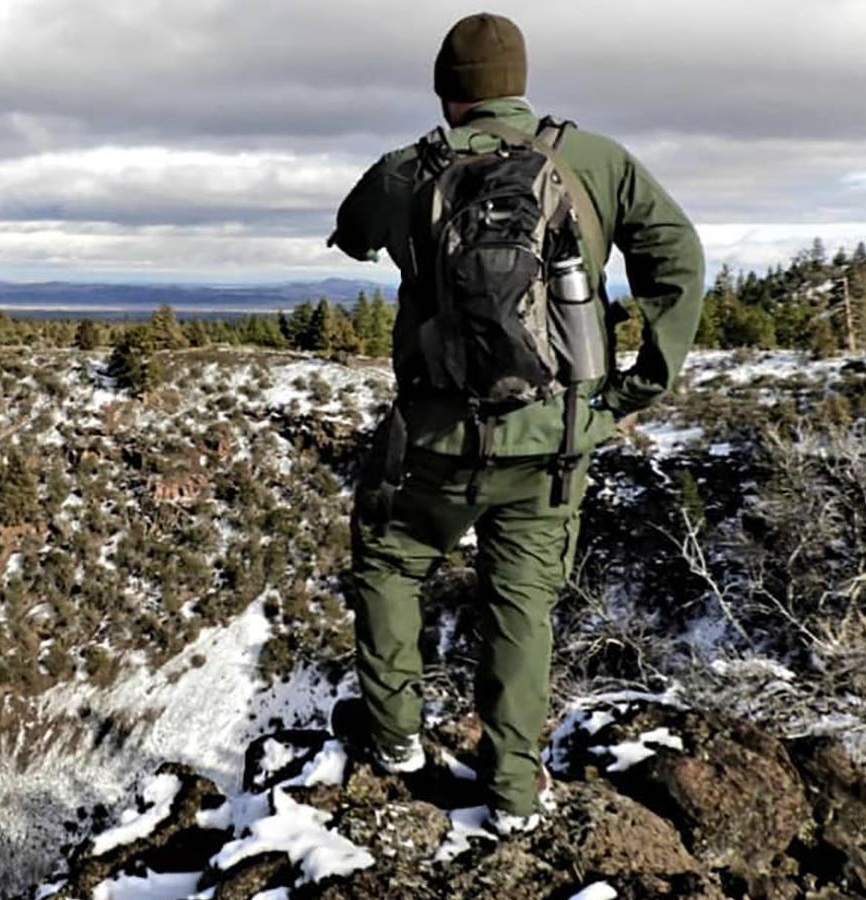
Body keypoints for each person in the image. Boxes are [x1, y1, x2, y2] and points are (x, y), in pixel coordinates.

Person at [325, 12, 704, 833]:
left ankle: (395, 742)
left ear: (447, 93)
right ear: (519, 85)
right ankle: (513, 795)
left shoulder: (409, 168)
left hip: (432, 441)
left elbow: (353, 237)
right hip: (554, 438)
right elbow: (679, 257)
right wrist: (642, 381)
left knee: (391, 566)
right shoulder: (591, 161)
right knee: (519, 607)